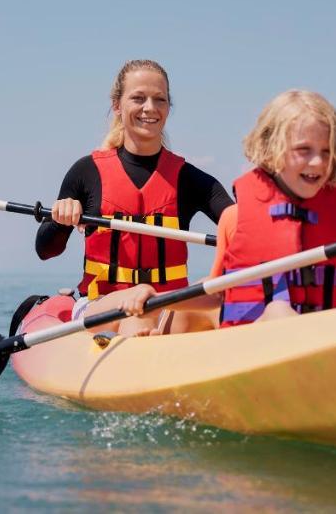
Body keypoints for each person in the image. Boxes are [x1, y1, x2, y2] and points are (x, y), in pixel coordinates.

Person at [120, 89, 336, 329]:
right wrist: (159, 299)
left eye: (326, 152)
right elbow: (218, 293)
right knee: (278, 311)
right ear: (271, 149)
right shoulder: (236, 219)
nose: (318, 163)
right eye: (303, 150)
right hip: (255, 349)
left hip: (328, 347)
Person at [34, 59, 233, 335]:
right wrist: (61, 219)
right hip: (100, 303)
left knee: (213, 306)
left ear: (168, 107)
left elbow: (239, 225)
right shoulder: (86, 172)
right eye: (138, 98)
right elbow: (46, 250)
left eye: (159, 99)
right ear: (117, 105)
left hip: (169, 305)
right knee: (139, 304)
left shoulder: (190, 179)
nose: (150, 108)